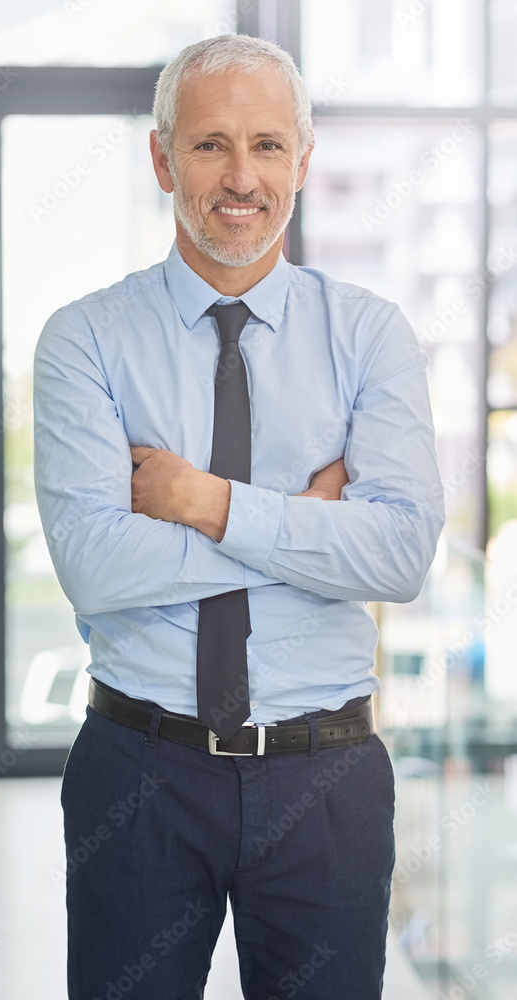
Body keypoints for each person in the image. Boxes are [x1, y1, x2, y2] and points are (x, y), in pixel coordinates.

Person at [33, 33, 445, 1000]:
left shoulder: (368, 335)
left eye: (267, 145)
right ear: (162, 158)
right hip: (137, 775)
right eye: (211, 143)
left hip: (326, 779)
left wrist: (201, 503)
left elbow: (398, 555)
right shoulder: (85, 339)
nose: (240, 175)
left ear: (302, 162)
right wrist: (303, 527)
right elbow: (96, 564)